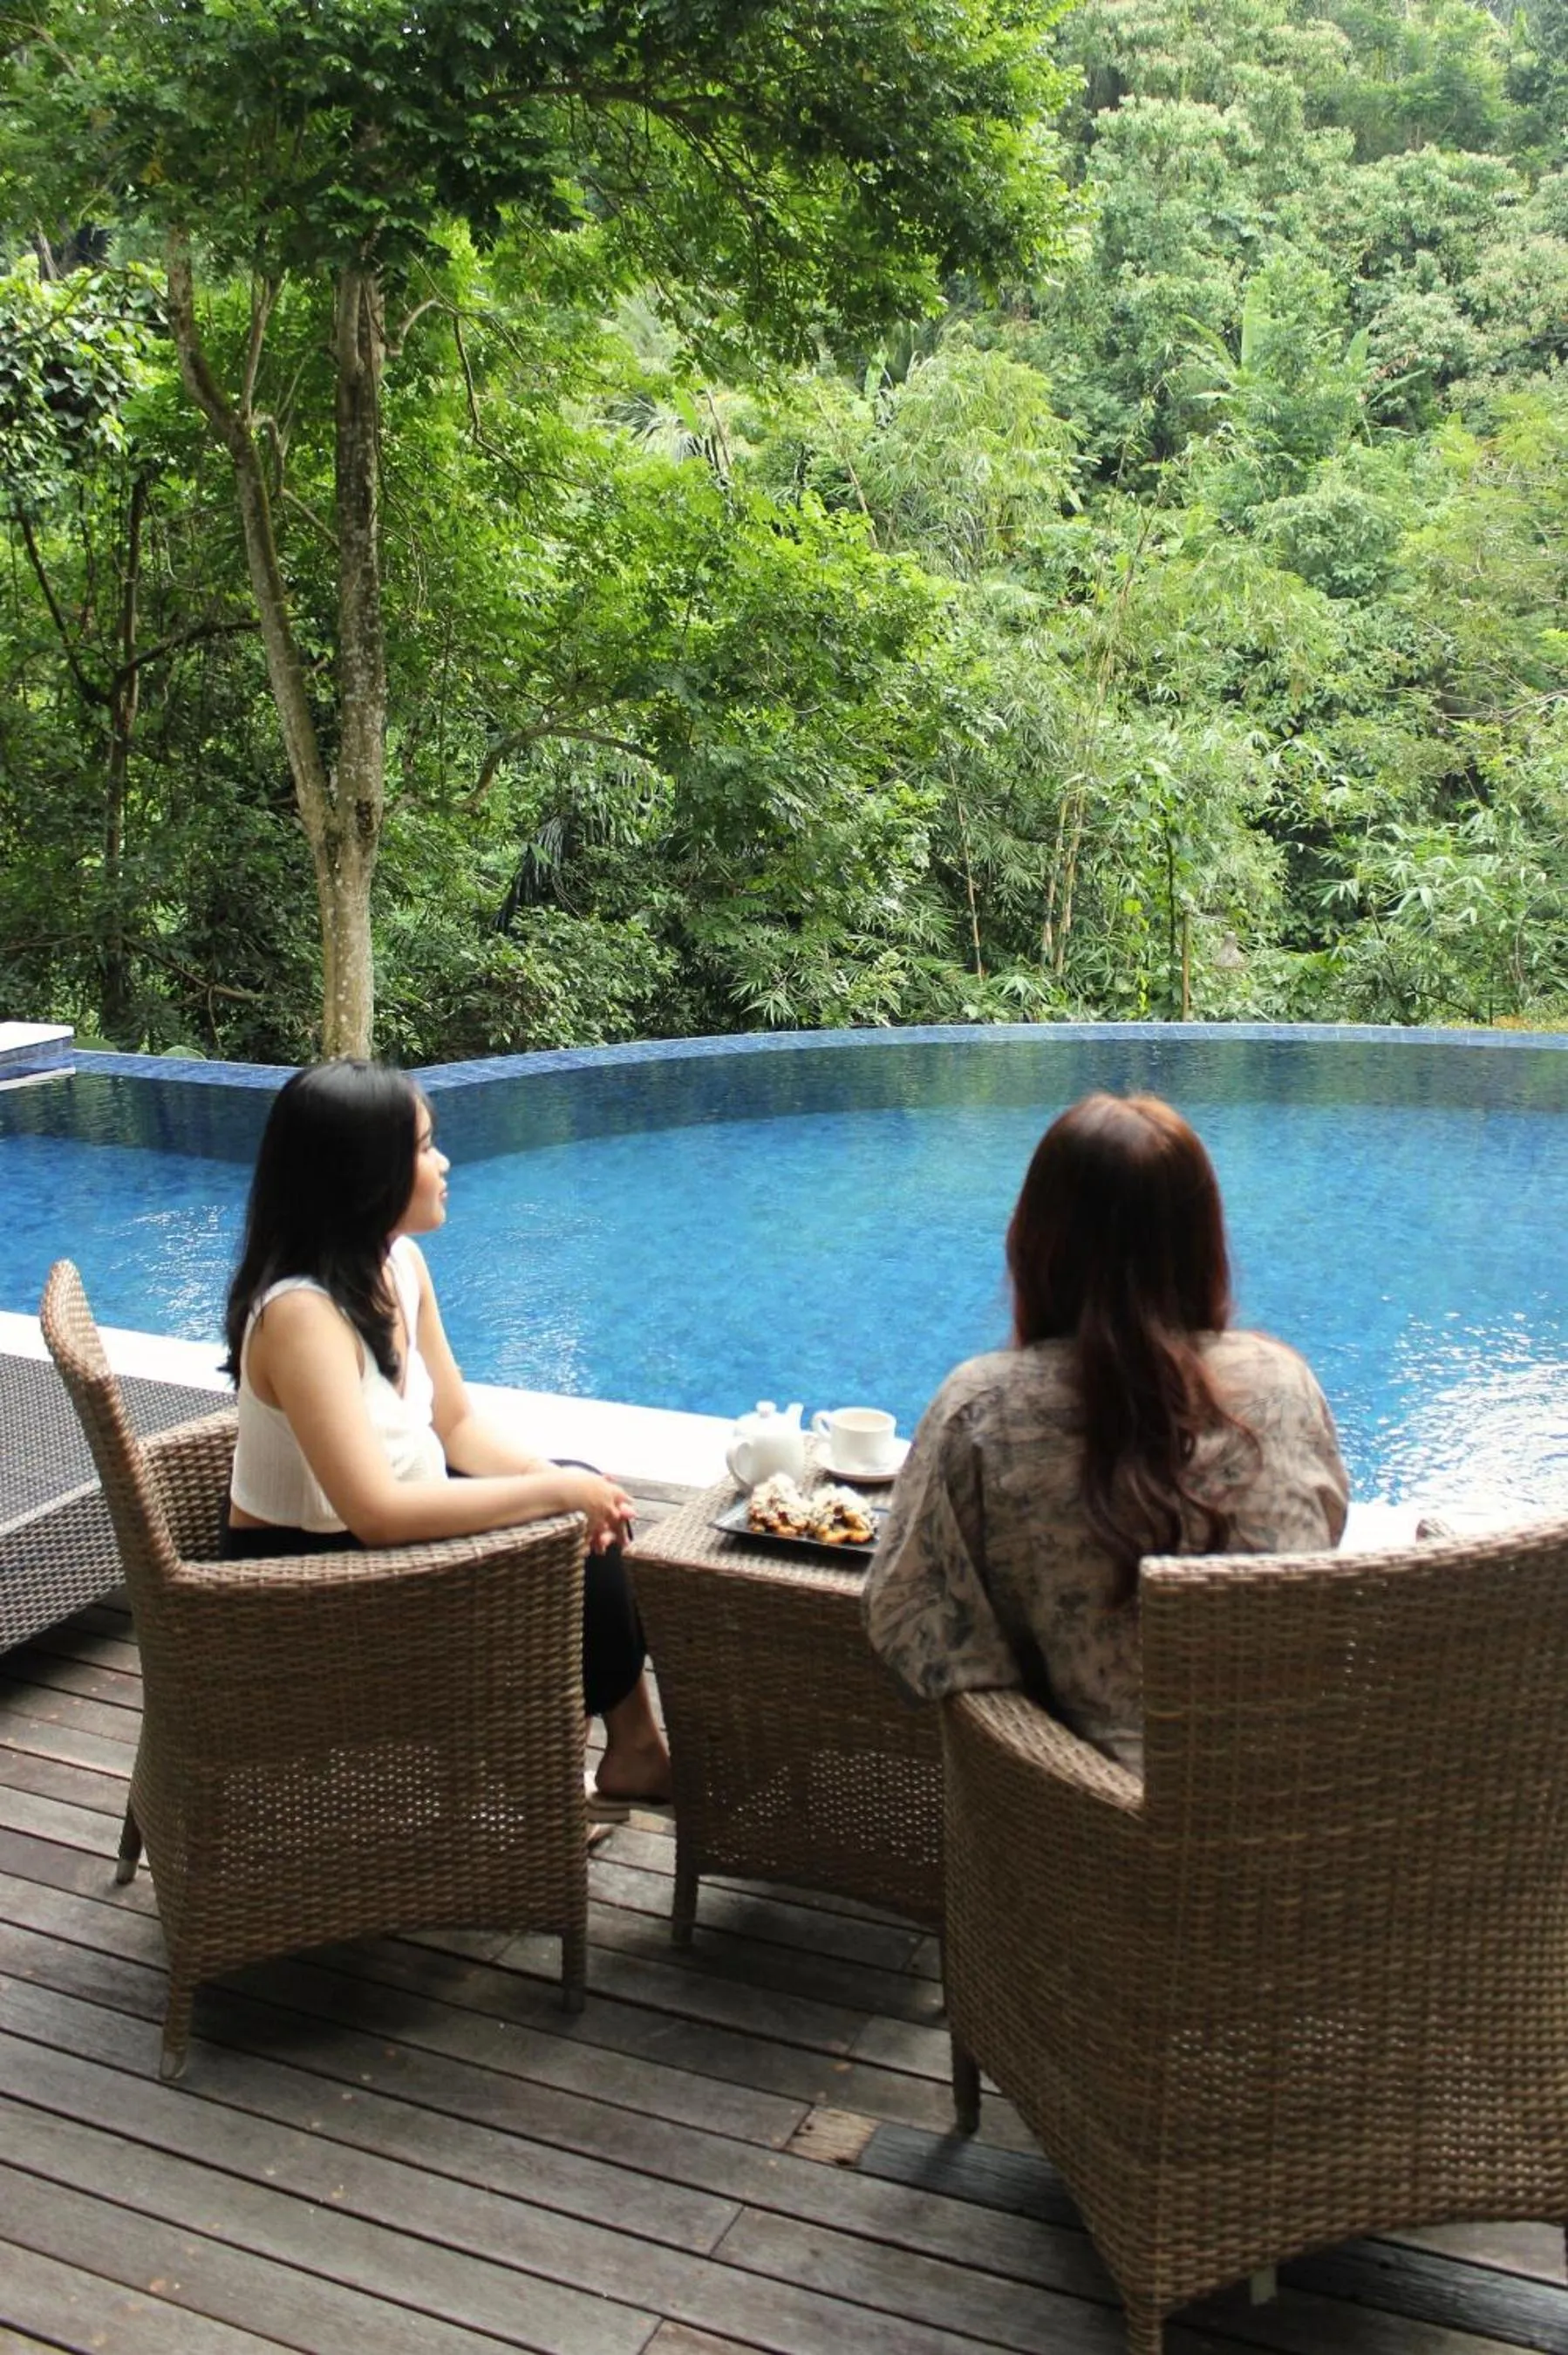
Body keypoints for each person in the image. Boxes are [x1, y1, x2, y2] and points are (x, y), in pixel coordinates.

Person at [222, 1059, 670, 1811]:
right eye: (425, 1148)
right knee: (562, 1520)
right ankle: (590, 1765)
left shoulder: (398, 1262)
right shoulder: (301, 1316)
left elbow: (455, 1426)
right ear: (365, 1173)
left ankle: (629, 1751)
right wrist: (556, 1494)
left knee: (579, 1497)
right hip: (308, 1590)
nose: (444, 1163)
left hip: (378, 1537)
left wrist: (561, 1482)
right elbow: (376, 1513)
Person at [863, 1091, 1348, 1775]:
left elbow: (906, 1618)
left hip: (1079, 1815)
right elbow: (1323, 1537)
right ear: (1203, 1242)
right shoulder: (1283, 1385)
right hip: (1292, 1798)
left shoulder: (981, 1411)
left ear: (1038, 1243)